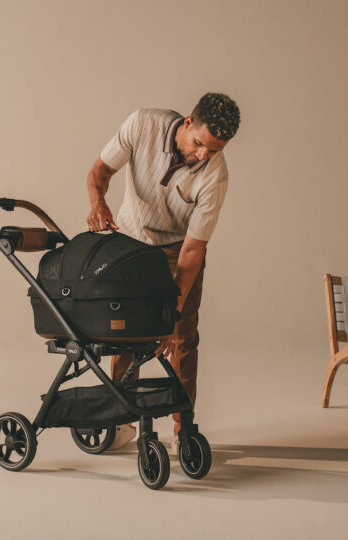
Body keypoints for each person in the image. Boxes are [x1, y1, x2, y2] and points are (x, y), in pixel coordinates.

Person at [85, 92, 240, 452]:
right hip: (130, 240)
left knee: (182, 336)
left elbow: (193, 250)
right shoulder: (142, 124)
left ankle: (183, 429)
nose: (203, 155)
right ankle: (120, 421)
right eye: (200, 144)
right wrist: (98, 203)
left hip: (177, 250)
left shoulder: (215, 176)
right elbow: (99, 172)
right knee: (124, 331)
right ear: (187, 122)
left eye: (214, 150)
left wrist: (172, 313)